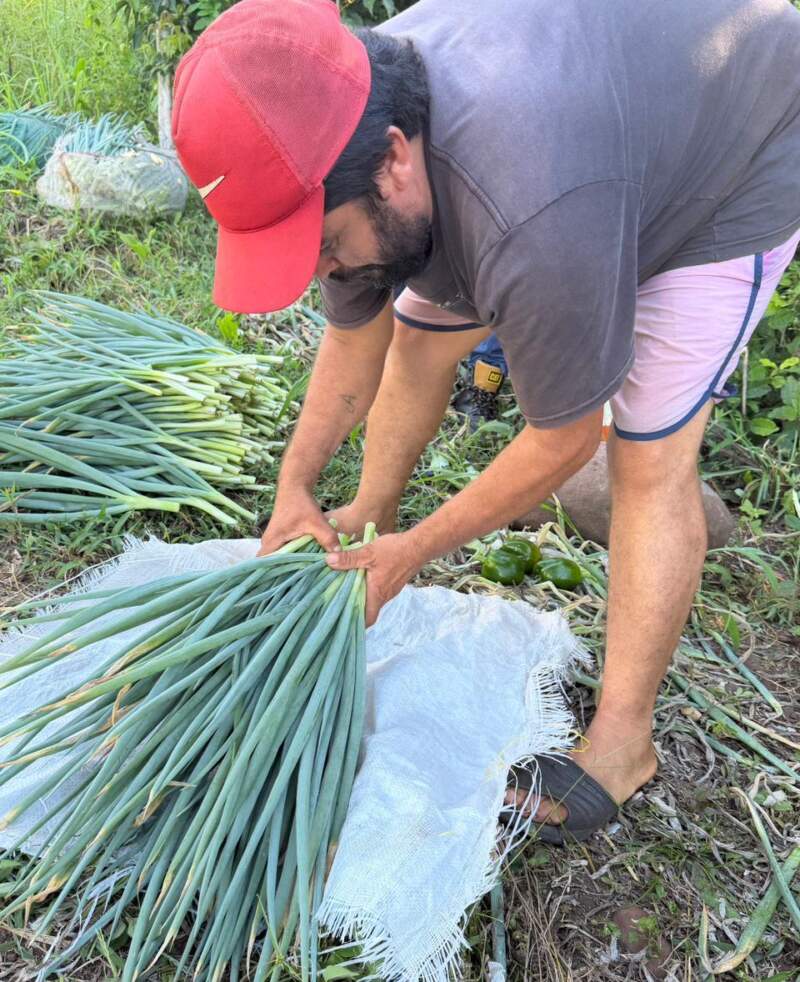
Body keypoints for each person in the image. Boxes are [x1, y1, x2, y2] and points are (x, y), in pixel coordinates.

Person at [172, 0, 800, 843]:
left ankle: (623, 745)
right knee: (419, 341)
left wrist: (416, 551)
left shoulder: (532, 209)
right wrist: (298, 485)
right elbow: (360, 338)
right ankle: (372, 513)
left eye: (325, 245)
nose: (325, 270)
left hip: (731, 158)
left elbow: (564, 440)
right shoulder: (342, 124)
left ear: (395, 161)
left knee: (647, 459)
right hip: (592, 145)